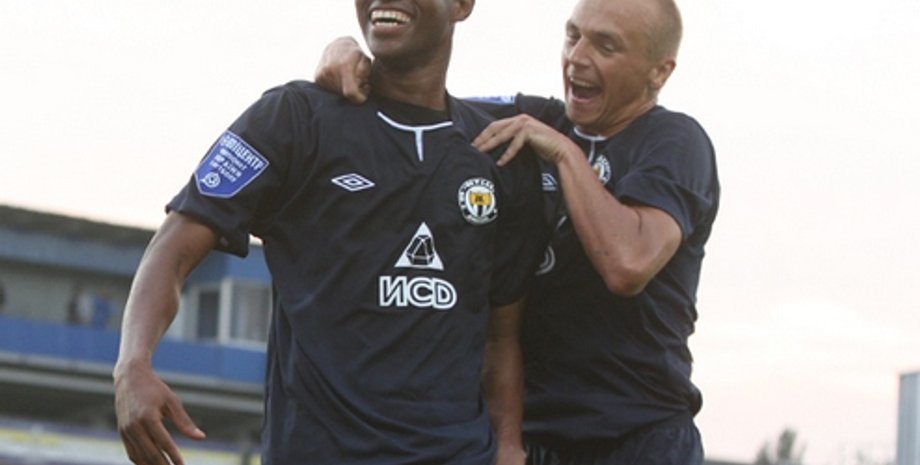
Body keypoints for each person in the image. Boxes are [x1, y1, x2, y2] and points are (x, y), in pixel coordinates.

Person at [112, 1, 547, 465]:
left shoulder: (501, 153)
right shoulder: (294, 118)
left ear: (461, 5)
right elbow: (173, 247)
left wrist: (508, 444)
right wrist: (133, 364)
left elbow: (501, 338)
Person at [315, 0, 720, 463]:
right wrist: (343, 53)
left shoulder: (676, 141)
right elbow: (415, 102)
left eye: (605, 46)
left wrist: (565, 155)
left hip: (639, 436)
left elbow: (627, 264)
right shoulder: (536, 118)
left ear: (659, 72)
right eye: (573, 36)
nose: (577, 57)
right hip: (532, 436)